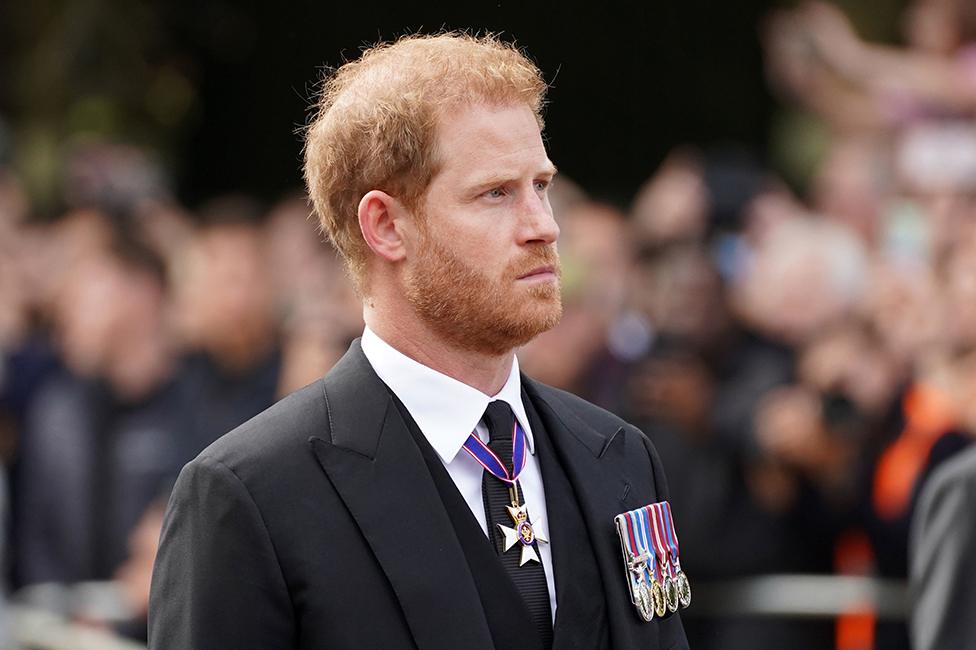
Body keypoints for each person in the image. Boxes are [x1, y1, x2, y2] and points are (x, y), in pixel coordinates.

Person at [149, 33, 688, 650]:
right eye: (495, 193)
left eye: (541, 186)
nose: (544, 225)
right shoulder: (252, 496)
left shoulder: (617, 457)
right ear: (385, 225)